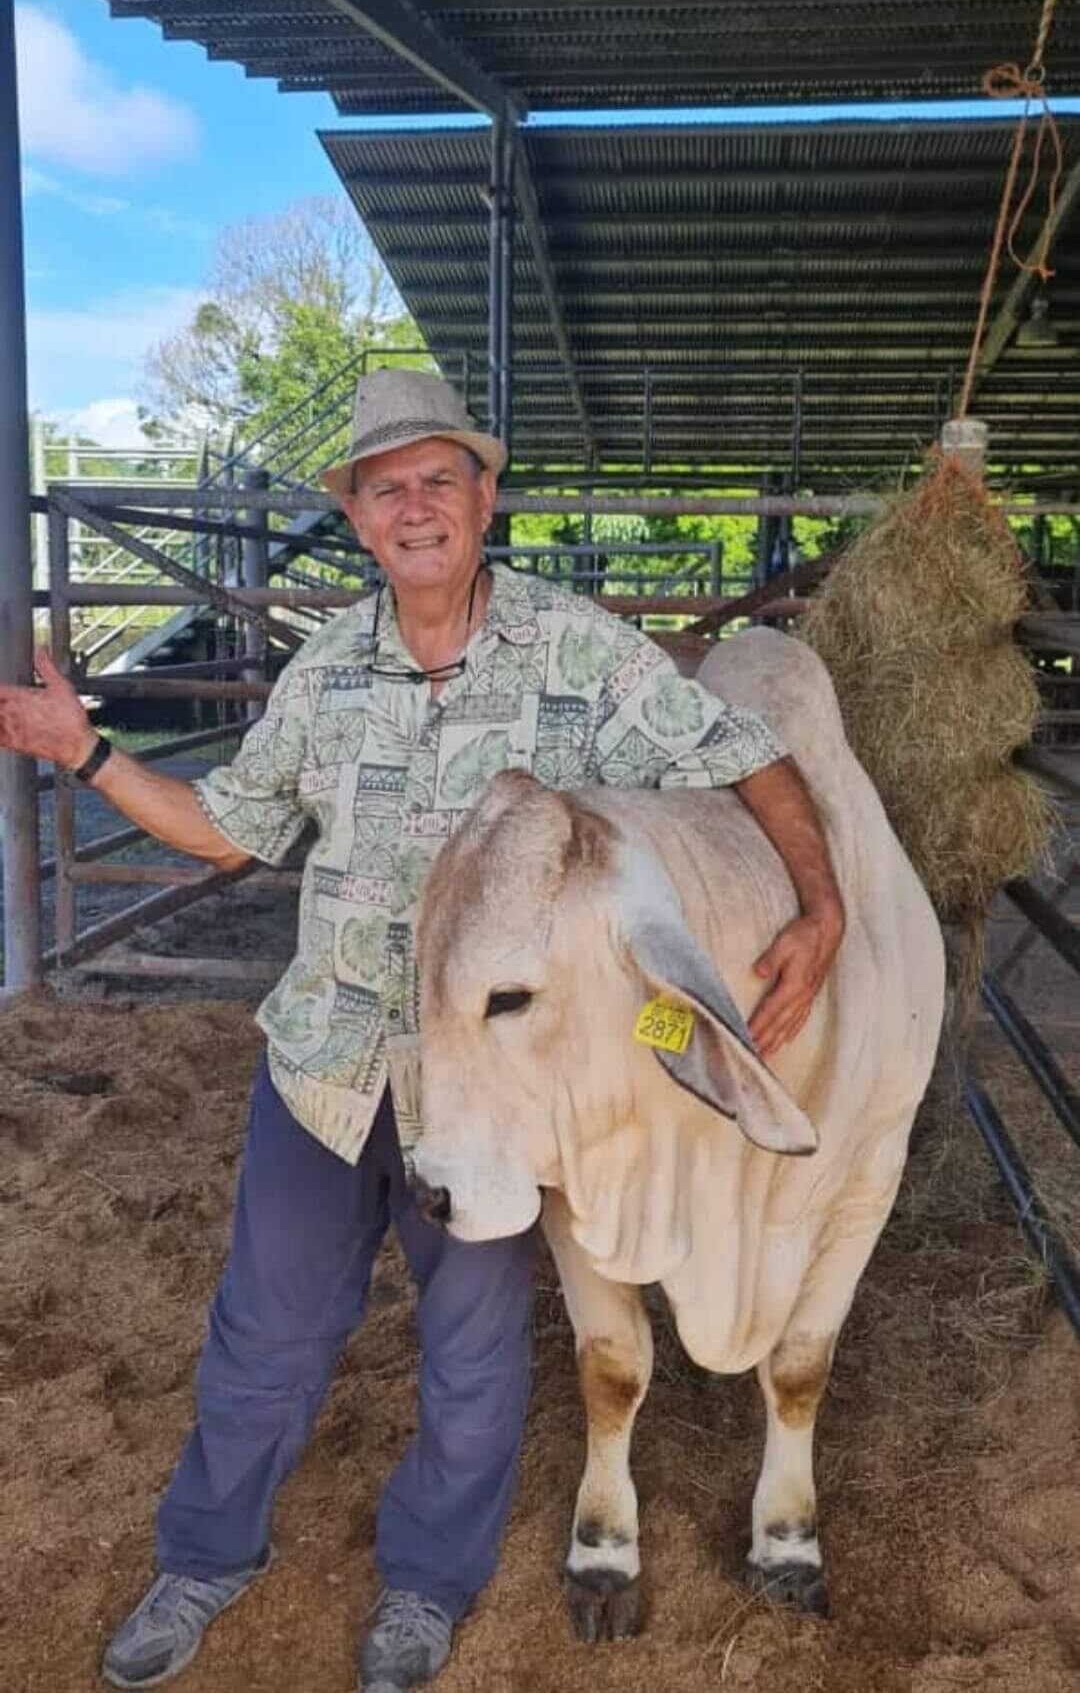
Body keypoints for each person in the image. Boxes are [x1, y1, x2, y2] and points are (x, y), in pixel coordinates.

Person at [0, 371, 845, 1691]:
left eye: (436, 476)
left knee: (472, 1352)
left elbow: (739, 746)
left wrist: (824, 898)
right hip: (329, 1065)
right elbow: (235, 826)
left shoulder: (581, 649)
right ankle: (207, 1556)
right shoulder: (327, 670)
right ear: (355, 515)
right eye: (383, 485)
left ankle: (425, 1590)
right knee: (266, 1329)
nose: (413, 505)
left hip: (496, 1092)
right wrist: (90, 756)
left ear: (482, 494)